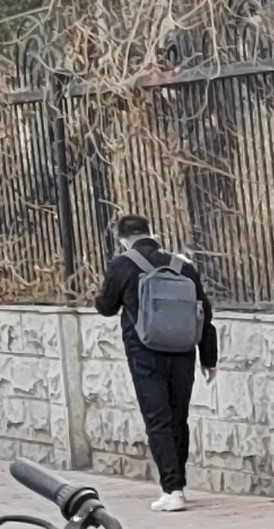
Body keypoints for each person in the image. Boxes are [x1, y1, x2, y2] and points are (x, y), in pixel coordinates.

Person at [91, 214, 216, 512]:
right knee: (178, 417)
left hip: (145, 353)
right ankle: (178, 485)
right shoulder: (182, 265)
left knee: (157, 419)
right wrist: (209, 358)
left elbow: (106, 307)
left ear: (122, 239)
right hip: (183, 351)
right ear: (151, 233)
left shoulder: (122, 264)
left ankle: (172, 489)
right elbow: (204, 312)